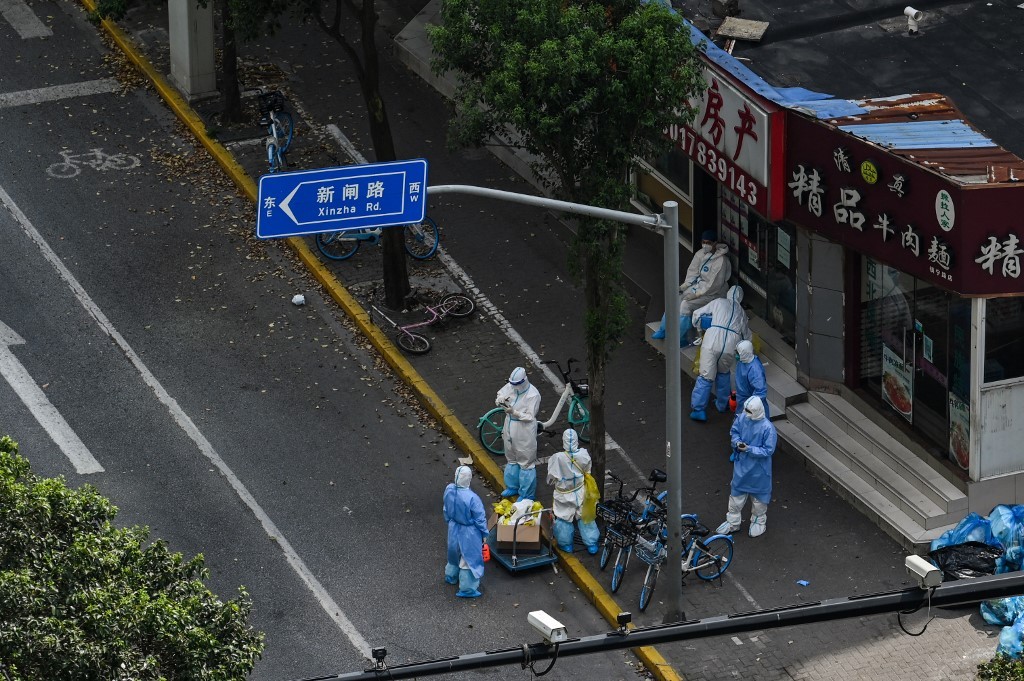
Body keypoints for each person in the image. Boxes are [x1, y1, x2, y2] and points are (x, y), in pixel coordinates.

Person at [651, 230, 731, 345]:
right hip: (698, 287)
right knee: (676, 298)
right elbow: (692, 272)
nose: (705, 245)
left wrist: (696, 294)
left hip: (713, 294)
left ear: (715, 243)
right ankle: (664, 329)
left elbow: (714, 285)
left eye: (708, 242)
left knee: (685, 305)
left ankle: (680, 338)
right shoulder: (700, 254)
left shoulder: (721, 261)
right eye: (703, 242)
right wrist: (684, 287)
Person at [716, 396, 777, 538]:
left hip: (759, 470)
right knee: (736, 495)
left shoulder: (768, 428)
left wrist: (748, 449)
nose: (746, 413)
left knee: (759, 499)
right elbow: (735, 432)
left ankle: (758, 521)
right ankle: (732, 522)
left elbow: (768, 450)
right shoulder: (743, 418)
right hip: (742, 467)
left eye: (749, 411)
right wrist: (737, 443)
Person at [689, 285, 751, 422]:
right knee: (723, 373)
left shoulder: (718, 302)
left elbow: (697, 314)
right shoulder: (742, 313)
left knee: (706, 376)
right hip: (730, 344)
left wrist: (699, 329)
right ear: (740, 298)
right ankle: (722, 404)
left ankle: (698, 409)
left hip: (712, 339)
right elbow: (747, 337)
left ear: (728, 294)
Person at [546, 429, 600, 554]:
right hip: (580, 491)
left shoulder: (557, 458)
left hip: (563, 495)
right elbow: (588, 471)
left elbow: (550, 480)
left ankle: (566, 545)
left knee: (564, 519)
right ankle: (591, 544)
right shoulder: (583, 455)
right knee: (585, 517)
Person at [495, 366, 542, 500]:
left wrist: (514, 412)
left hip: (524, 429)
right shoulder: (511, 386)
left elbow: (529, 416)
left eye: (516, 384)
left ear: (524, 381)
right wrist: (500, 399)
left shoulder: (533, 394)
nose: (513, 386)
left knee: (525, 461)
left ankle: (526, 494)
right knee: (511, 457)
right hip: (509, 425)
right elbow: (501, 392)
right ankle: (512, 486)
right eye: (512, 384)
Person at [443, 465, 489, 598]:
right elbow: (480, 518)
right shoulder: (472, 498)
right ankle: (467, 588)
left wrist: (450, 521)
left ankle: (451, 575)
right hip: (469, 532)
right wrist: (484, 534)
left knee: (454, 553)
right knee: (468, 560)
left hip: (454, 527)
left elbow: (446, 509)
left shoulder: (449, 489)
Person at [735, 339, 770, 420]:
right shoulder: (742, 362)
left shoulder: (755, 370)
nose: (736, 355)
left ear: (744, 353)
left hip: (752, 404)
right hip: (743, 399)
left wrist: (750, 406)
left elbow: (761, 391)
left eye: (738, 353)